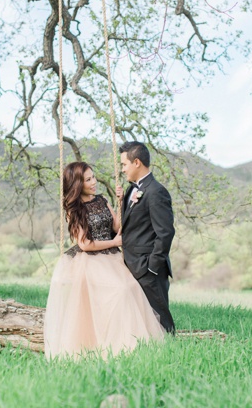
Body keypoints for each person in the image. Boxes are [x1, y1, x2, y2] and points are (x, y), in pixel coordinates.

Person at [44, 162, 165, 360]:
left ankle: (133, 344)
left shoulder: (100, 200)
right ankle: (111, 345)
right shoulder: (73, 208)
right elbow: (84, 244)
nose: (94, 182)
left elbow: (118, 226)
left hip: (111, 257)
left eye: (93, 177)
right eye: (88, 179)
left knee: (130, 289)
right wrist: (114, 241)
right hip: (89, 260)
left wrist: (121, 202)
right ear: (77, 184)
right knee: (118, 291)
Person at [115, 141, 176, 334]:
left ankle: (171, 353)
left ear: (137, 163)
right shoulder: (133, 190)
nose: (122, 170)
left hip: (148, 269)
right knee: (141, 320)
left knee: (160, 319)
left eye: (124, 164)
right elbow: (133, 225)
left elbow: (165, 232)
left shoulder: (156, 191)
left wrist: (151, 266)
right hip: (132, 265)